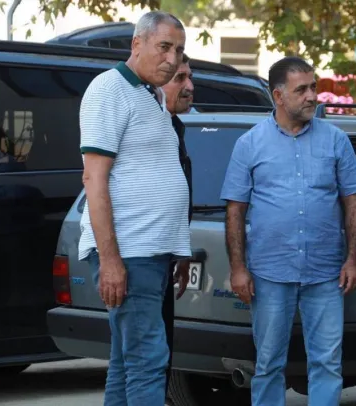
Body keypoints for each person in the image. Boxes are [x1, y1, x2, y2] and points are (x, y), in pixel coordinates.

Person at [220, 56, 356, 406]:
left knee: (327, 363)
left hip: (326, 273)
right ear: (278, 96)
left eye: (313, 87)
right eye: (301, 89)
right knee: (268, 363)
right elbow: (235, 210)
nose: (312, 96)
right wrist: (238, 268)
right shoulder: (250, 144)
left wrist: (352, 260)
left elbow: (354, 203)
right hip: (270, 272)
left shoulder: (336, 140)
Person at [78, 11, 192, 406]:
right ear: (137, 44)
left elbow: (155, 175)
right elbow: (94, 179)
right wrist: (110, 260)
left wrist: (177, 248)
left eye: (179, 51)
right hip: (130, 251)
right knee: (149, 359)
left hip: (152, 253)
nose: (172, 59)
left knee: (128, 362)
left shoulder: (154, 96)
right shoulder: (109, 89)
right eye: (164, 47)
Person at [159, 52, 195, 400]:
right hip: (142, 259)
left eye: (189, 77)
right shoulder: (149, 128)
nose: (190, 86)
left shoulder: (175, 127)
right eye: (180, 78)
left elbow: (175, 200)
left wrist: (181, 253)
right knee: (146, 360)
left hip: (164, 261)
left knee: (160, 357)